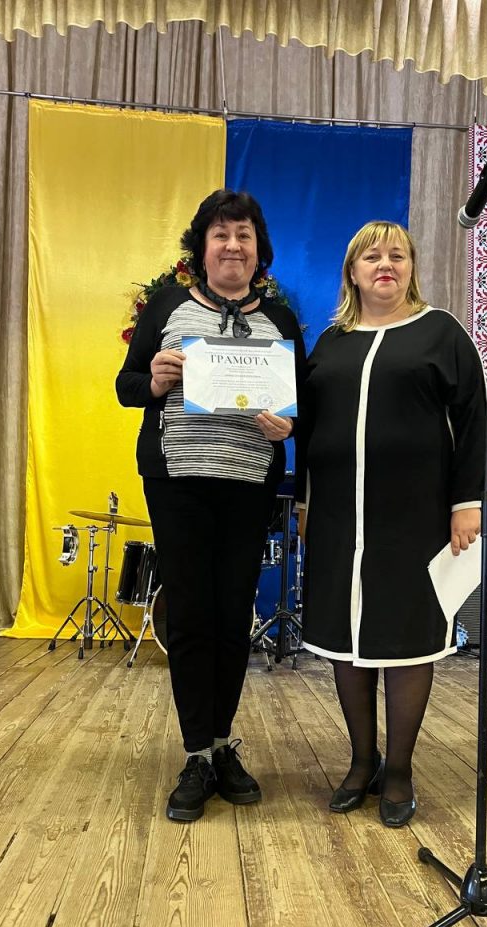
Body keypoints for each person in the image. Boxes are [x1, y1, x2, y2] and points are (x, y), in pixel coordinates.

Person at [116, 189, 306, 822]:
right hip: (179, 483)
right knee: (192, 617)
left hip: (249, 485)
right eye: (221, 234)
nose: (232, 245)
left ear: (259, 249)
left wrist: (289, 427)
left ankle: (222, 743)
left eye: (243, 235)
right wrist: (154, 382)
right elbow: (126, 386)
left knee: (232, 618)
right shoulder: (167, 308)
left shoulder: (280, 320)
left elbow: (303, 405)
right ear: (201, 247)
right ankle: (197, 752)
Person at [296, 221, 486, 827]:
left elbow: (474, 420)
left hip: (413, 516)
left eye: (397, 255)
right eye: (372, 256)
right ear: (352, 273)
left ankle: (399, 769)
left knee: (405, 641)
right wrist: (303, 502)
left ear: (411, 268)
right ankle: (362, 761)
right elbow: (308, 428)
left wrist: (467, 502)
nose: (386, 264)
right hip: (336, 516)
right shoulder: (330, 343)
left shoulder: (442, 333)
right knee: (345, 641)